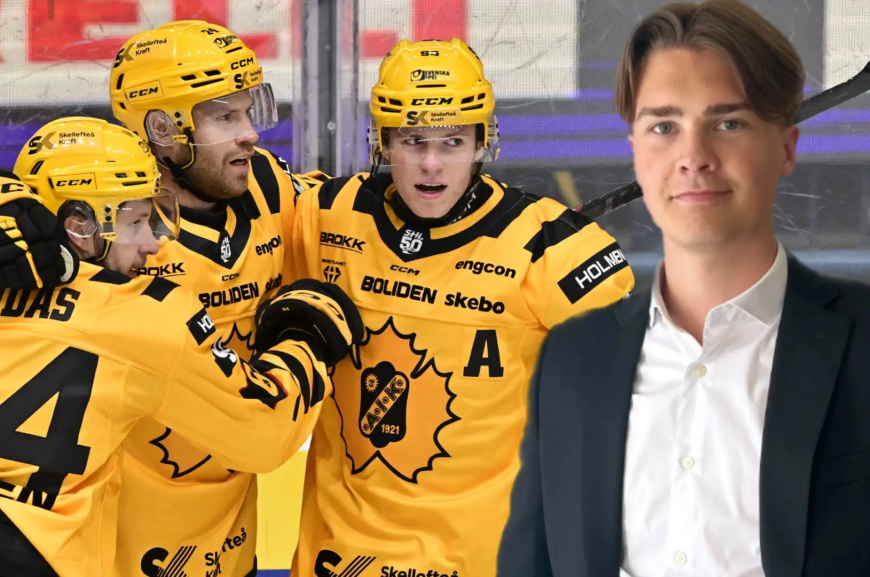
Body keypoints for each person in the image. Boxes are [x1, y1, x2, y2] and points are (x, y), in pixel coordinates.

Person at [0, 21, 327, 577]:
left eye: (249, 111)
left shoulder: (269, 185)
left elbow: (357, 216)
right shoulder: (99, 221)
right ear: (163, 129)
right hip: (110, 543)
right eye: (225, 117)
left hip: (227, 536)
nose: (251, 135)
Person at [497, 1, 870, 575]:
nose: (693, 157)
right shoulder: (570, 362)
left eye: (728, 123)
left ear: (787, 146)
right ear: (636, 152)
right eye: (664, 127)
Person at [288, 38, 635, 577]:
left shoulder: (549, 249)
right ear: (382, 140)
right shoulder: (327, 216)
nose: (431, 165)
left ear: (481, 141)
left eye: (452, 141)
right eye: (413, 140)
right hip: (341, 556)